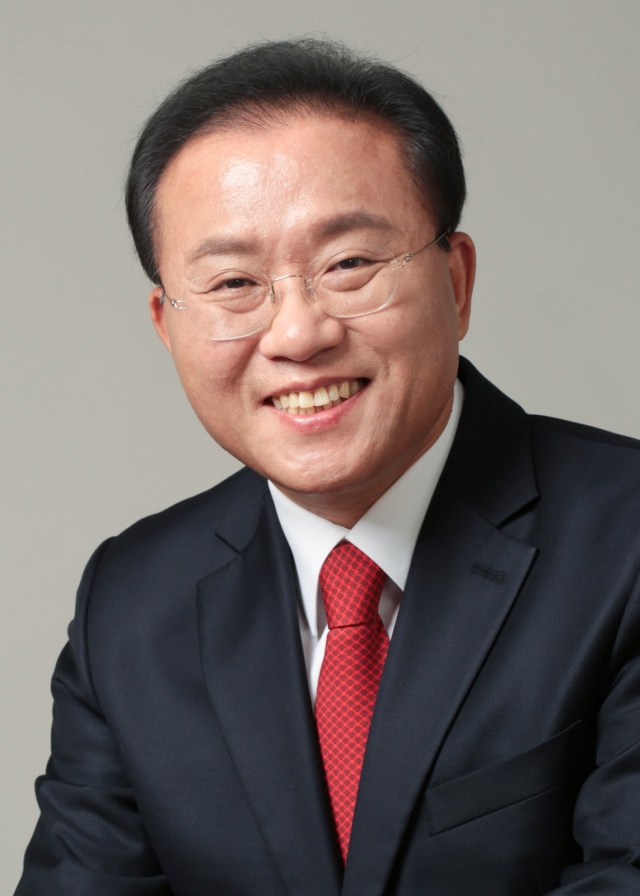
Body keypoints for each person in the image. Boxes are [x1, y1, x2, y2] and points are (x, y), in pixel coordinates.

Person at [15, 37, 640, 895]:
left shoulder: (624, 543)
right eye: (234, 284)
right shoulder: (131, 605)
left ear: (457, 282)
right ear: (167, 325)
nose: (298, 334)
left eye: (349, 265)